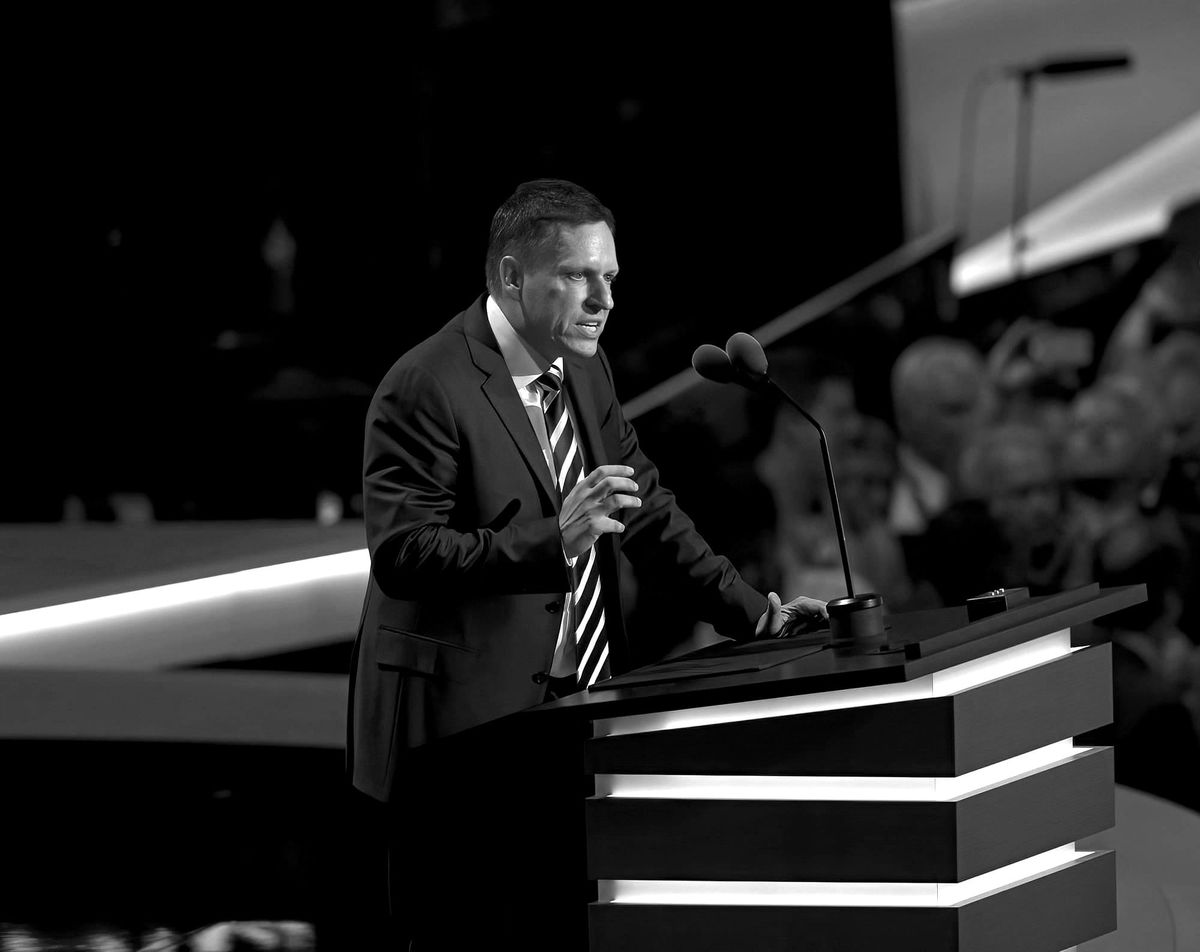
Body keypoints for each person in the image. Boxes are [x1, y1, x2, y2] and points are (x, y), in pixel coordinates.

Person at [346, 179, 826, 949]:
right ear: (510, 277)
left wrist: (757, 614)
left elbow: (645, 509)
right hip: (463, 738)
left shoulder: (585, 368)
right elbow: (404, 555)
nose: (603, 299)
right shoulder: (426, 383)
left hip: (576, 712)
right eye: (578, 276)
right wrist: (552, 538)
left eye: (610, 278)